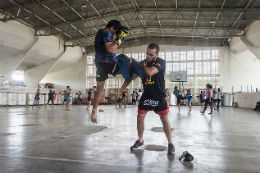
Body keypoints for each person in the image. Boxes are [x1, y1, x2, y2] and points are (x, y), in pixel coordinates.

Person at [128, 43, 175, 155]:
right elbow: (133, 76)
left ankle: (170, 143)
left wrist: (136, 64)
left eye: (151, 54)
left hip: (159, 96)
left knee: (164, 120)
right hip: (147, 95)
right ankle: (140, 140)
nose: (148, 56)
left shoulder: (161, 62)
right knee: (140, 117)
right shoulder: (142, 63)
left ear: (156, 54)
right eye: (147, 53)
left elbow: (149, 72)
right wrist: (126, 67)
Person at [90, 20, 128, 123]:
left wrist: (116, 39)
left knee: (100, 89)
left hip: (99, 63)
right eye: (115, 32)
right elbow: (110, 49)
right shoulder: (106, 32)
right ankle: (122, 89)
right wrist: (120, 39)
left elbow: (108, 46)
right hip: (109, 63)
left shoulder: (100, 32)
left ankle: (94, 110)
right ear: (112, 28)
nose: (114, 34)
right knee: (129, 65)